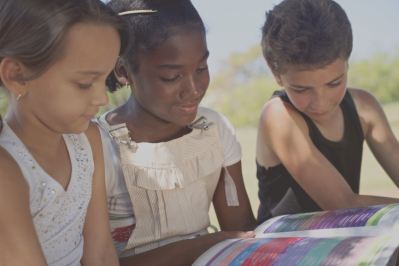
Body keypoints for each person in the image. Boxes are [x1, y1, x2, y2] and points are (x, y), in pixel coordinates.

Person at [96, 0, 256, 265]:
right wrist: (201, 246)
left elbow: (242, 236)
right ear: (123, 71)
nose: (193, 89)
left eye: (202, 68)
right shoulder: (99, 146)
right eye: (172, 77)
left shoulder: (214, 129)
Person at [0, 0, 126, 265]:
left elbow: (100, 252)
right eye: (84, 84)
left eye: (106, 80)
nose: (102, 98)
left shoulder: (87, 140)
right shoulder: (7, 169)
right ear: (16, 75)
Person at [256, 0, 399, 223]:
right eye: (301, 89)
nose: (320, 102)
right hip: (282, 246)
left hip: (344, 234)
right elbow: (342, 204)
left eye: (334, 83)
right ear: (276, 73)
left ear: (347, 63)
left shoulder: (365, 108)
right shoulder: (278, 116)